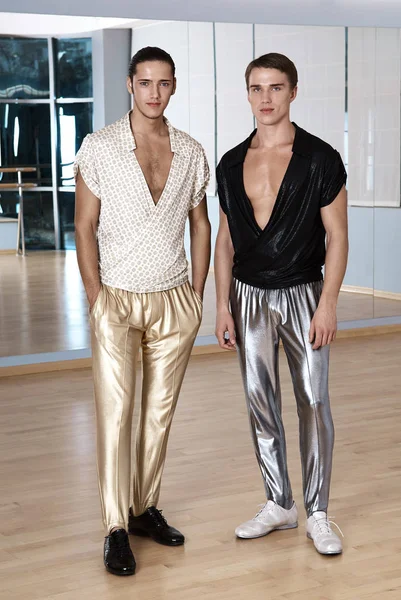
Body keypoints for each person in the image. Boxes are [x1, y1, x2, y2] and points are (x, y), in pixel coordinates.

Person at [74, 46, 211, 575]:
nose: (155, 92)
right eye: (145, 82)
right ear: (130, 84)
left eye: (164, 83)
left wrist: (197, 296)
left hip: (175, 297)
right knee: (116, 414)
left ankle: (142, 507)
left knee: (158, 416)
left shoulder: (192, 151)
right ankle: (113, 527)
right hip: (117, 296)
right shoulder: (100, 147)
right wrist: (96, 297)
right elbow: (84, 226)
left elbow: (202, 225)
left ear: (173, 87)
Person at [214, 53, 348, 555]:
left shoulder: (319, 158)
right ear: (247, 93)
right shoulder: (231, 162)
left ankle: (318, 512)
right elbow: (225, 241)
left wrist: (328, 303)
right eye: (256, 88)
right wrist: (223, 306)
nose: (265, 98)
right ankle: (279, 503)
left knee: (313, 401)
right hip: (247, 296)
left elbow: (338, 237)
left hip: (302, 292)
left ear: (293, 91)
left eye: (275, 88)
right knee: (259, 403)